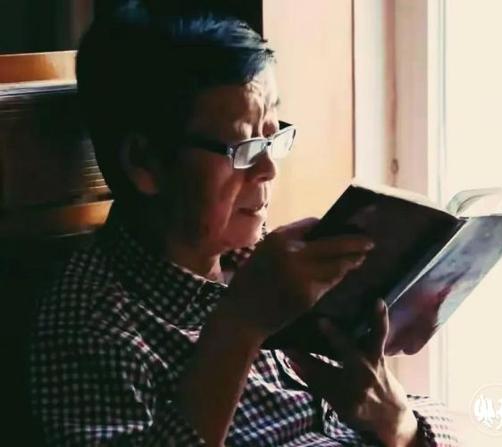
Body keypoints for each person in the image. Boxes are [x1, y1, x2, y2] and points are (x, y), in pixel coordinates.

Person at [29, 5, 457, 446]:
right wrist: (239, 327)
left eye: (271, 137)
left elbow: (418, 415)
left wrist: (400, 425)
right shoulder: (91, 328)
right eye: (243, 146)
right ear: (146, 162)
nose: (269, 168)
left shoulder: (269, 263)